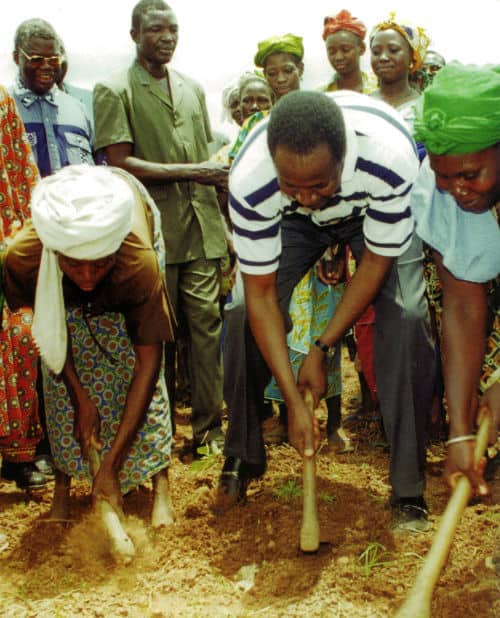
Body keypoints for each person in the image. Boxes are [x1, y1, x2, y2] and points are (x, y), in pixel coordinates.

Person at [217, 89, 435, 533]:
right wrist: (293, 400)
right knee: (239, 309)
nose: (309, 198)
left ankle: (408, 485)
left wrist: (320, 347)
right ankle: (243, 453)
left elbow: (375, 262)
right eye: (291, 184)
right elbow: (260, 297)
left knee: (408, 315)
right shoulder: (252, 179)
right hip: (289, 226)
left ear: (344, 158)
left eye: (319, 185)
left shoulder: (390, 159)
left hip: (367, 213)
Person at [3, 164, 175, 527]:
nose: (85, 277)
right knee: (59, 380)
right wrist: (80, 397)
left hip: (131, 213)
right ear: (56, 252)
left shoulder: (137, 263)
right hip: (55, 289)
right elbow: (48, 332)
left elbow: (148, 363)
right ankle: (63, 486)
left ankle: (161, 481)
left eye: (98, 266)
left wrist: (110, 464)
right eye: (74, 265)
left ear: (113, 253)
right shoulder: (25, 256)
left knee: (133, 367)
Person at [93, 0, 228, 457]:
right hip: (152, 233)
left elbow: (210, 160)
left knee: (208, 329)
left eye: (173, 29)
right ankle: (158, 436)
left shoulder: (191, 88)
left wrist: (212, 196)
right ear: (134, 35)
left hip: (201, 226)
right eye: (155, 30)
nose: (166, 37)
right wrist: (195, 171)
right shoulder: (114, 90)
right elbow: (119, 163)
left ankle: (208, 431)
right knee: (156, 335)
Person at [411, 62, 500, 493]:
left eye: (469, 174)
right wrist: (460, 431)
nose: (457, 189)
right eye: (444, 176)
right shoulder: (443, 197)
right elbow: (463, 306)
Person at [0, 85, 47, 490]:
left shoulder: (1, 100)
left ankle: (20, 456)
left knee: (21, 337)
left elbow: (23, 172)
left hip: (6, 241)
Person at [10, 18, 94, 177]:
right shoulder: (5, 109)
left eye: (53, 59)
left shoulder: (79, 110)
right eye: (36, 60)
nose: (46, 66)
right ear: (16, 58)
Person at [370, 13, 430, 127]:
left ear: (412, 56)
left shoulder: (424, 109)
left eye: (393, 50)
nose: (383, 57)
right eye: (376, 52)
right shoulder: (363, 104)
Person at [320, 9, 377, 94]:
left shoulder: (378, 87)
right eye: (332, 52)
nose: (339, 57)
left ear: (362, 48)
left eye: (345, 50)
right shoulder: (322, 94)